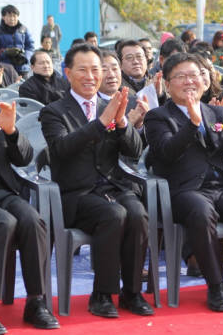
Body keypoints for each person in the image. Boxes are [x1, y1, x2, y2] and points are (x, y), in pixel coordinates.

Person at [144, 53, 223, 311]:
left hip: (222, 186)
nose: (189, 81)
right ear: (168, 85)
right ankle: (215, 286)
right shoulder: (158, 116)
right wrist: (191, 124)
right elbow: (166, 151)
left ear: (204, 81)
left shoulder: (216, 111)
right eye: (181, 76)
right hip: (184, 190)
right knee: (202, 212)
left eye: (194, 75)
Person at [40, 43, 152, 318]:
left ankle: (132, 292)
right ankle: (102, 294)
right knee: (113, 214)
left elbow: (134, 152)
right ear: (68, 73)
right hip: (75, 194)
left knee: (137, 212)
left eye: (96, 70)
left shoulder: (111, 104)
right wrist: (100, 123)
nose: (91, 76)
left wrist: (123, 124)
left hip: (112, 187)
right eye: (83, 70)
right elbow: (61, 150)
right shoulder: (54, 111)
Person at [0, 101, 60, 332]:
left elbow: (24, 158)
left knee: (32, 220)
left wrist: (11, 132)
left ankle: (35, 301)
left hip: (1, 192)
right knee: (3, 222)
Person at [98, 52, 149, 133]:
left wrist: (139, 124)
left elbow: (143, 143)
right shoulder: (90, 104)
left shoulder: (134, 102)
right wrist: (128, 122)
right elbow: (104, 136)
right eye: (104, 70)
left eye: (115, 69)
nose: (111, 75)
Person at [0, 4, 35, 77]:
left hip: (22, 68)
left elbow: (30, 47)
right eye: (9, 16)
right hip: (3, 69)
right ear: (3, 17)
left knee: (23, 87)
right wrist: (5, 52)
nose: (12, 18)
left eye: (14, 16)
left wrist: (25, 57)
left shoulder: (24, 30)